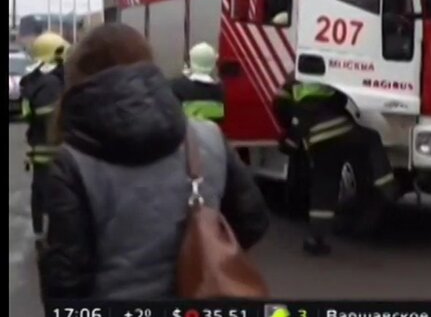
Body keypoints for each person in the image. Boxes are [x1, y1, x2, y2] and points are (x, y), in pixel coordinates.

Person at [38, 23, 269, 300]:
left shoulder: (73, 160)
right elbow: (253, 221)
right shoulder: (208, 137)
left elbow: (65, 280)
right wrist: (199, 257)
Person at [273, 78, 400, 256]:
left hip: (318, 140)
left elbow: (281, 106)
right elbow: (344, 99)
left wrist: (289, 137)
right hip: (343, 130)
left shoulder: (293, 79)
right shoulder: (330, 74)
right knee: (371, 138)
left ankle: (316, 240)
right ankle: (386, 186)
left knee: (324, 188)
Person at [20, 32, 68, 241]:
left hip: (41, 146)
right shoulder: (49, 84)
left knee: (41, 191)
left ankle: (41, 232)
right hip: (51, 148)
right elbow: (49, 115)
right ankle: (49, 236)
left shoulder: (37, 80)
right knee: (52, 193)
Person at [170, 42, 225, 123]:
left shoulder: (176, 86)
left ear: (191, 60)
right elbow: (218, 119)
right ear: (213, 62)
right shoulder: (219, 90)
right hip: (209, 133)